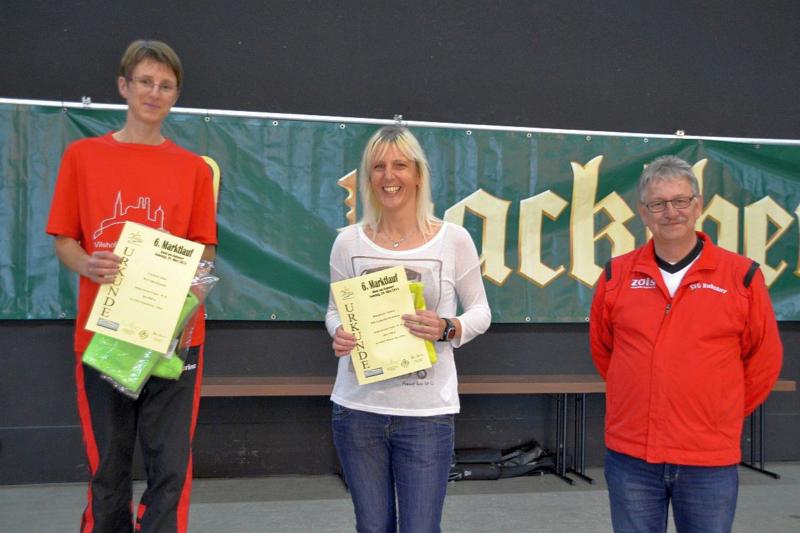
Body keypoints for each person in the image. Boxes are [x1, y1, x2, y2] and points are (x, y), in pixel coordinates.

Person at [46, 40, 217, 533]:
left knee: (170, 468)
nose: (154, 93)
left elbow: (204, 252)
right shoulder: (83, 156)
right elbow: (64, 239)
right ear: (124, 86)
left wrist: (184, 302)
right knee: (108, 467)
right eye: (145, 81)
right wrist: (88, 264)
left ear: (175, 95)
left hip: (175, 341)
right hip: (103, 337)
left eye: (165, 86)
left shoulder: (193, 169)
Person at [590, 155, 783, 532]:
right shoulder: (617, 274)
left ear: (697, 205)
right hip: (632, 455)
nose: (670, 212)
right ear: (642, 212)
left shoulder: (741, 276)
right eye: (658, 204)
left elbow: (764, 359)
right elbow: (605, 351)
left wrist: (719, 411)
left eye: (680, 200)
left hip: (708, 457)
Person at [325, 125, 491, 532]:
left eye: (400, 165)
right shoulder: (348, 242)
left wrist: (447, 327)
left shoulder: (453, 239)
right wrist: (338, 332)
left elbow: (481, 312)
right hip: (358, 411)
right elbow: (333, 310)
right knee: (372, 527)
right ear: (368, 178)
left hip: (426, 413)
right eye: (378, 167)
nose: (389, 176)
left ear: (418, 173)